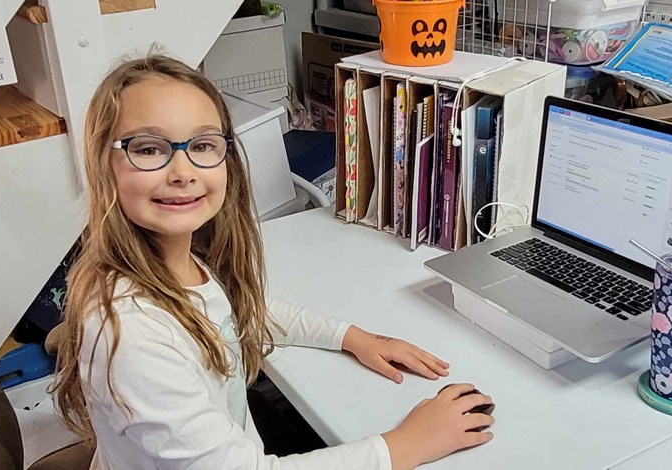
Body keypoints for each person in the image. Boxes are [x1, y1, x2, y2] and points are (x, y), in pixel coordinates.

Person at [51, 54, 495, 470]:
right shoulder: (131, 334)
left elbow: (235, 316)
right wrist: (406, 444)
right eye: (148, 149)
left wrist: (351, 337)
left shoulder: (180, 266)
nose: (183, 170)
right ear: (103, 164)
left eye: (203, 144)